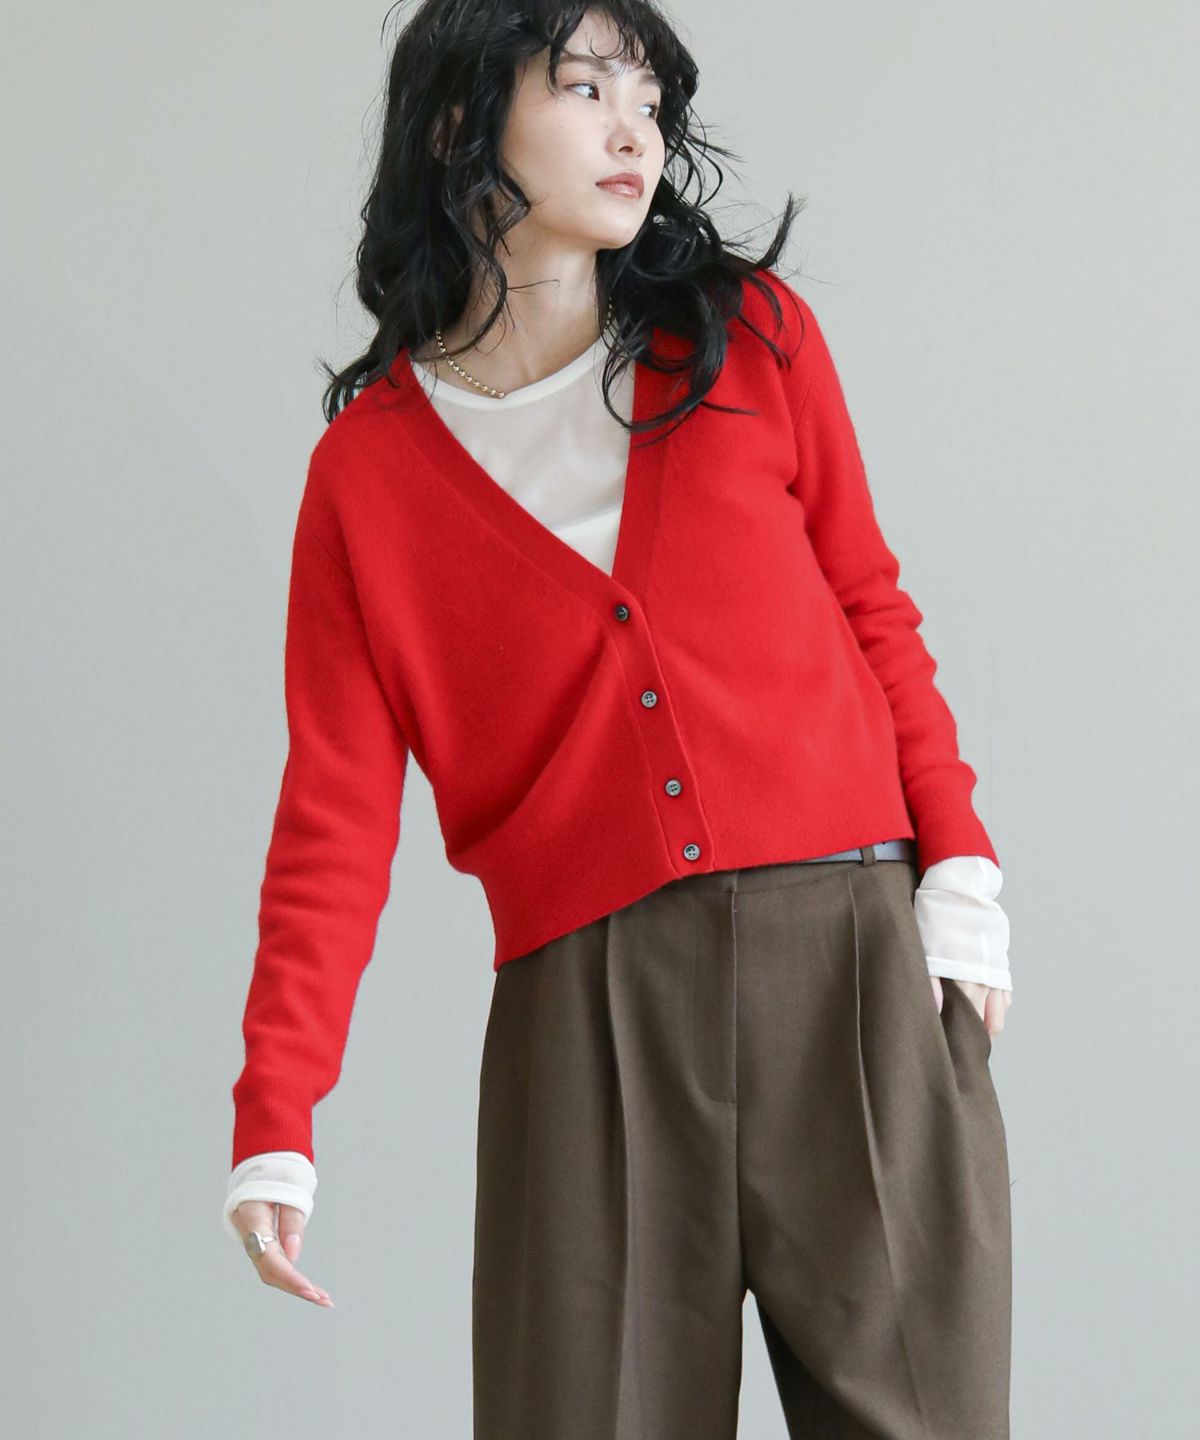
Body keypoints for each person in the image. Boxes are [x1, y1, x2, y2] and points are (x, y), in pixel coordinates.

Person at [223, 2, 1014, 1435]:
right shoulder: (369, 479)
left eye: (648, 98)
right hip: (584, 1016)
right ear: (460, 122)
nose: (632, 130)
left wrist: (961, 870)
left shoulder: (750, 340)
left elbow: (871, 607)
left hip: (850, 962)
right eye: (585, 89)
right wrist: (277, 1117)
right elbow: (333, 812)